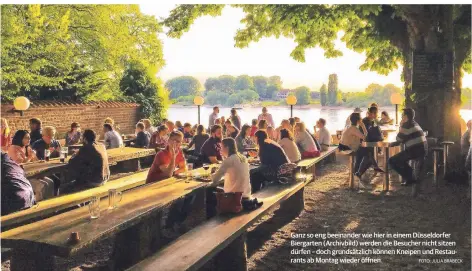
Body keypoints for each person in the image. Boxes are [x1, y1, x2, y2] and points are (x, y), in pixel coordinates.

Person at [389, 108, 428, 186]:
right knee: (401, 159)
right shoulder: (414, 123)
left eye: (402, 115)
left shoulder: (406, 125)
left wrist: (401, 125)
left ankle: (410, 178)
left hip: (415, 150)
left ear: (405, 116)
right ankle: (410, 177)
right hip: (422, 149)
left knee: (391, 161)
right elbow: (404, 138)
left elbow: (398, 139)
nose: (401, 117)